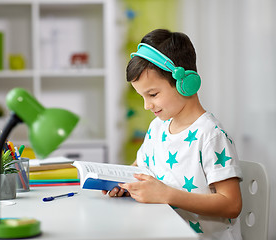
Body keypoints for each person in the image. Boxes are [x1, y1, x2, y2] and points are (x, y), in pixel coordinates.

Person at [102, 29, 243, 240]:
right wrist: (121, 183)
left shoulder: (211, 135)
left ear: (185, 83)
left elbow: (232, 204)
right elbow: (138, 168)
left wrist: (166, 194)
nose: (147, 105)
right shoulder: (157, 128)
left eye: (153, 94)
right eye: (142, 96)